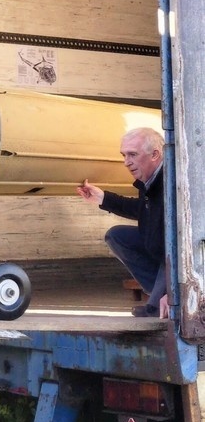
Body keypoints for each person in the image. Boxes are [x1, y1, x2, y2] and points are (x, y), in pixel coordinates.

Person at [77, 127, 167, 317]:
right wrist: (103, 199)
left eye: (133, 154)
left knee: (169, 243)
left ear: (155, 155)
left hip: (178, 256)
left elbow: (185, 244)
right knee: (117, 236)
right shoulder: (149, 180)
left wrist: (176, 292)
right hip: (161, 253)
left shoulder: (172, 181)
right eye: (124, 155)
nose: (126, 162)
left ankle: (168, 297)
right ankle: (158, 294)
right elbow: (143, 210)